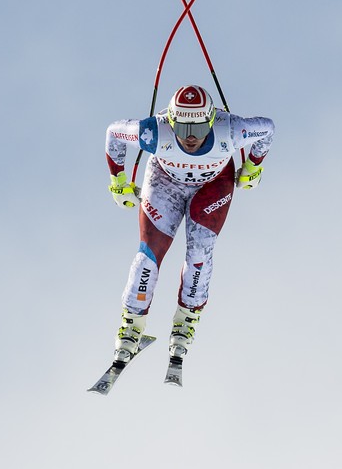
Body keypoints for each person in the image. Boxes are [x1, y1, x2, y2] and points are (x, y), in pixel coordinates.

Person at [104, 84, 274, 363]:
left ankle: (186, 321)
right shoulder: (155, 132)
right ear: (171, 122)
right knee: (149, 254)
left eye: (198, 129)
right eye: (182, 129)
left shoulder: (230, 130)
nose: (191, 138)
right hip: (164, 183)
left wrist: (254, 166)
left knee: (199, 255)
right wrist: (118, 182)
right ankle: (131, 325)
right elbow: (114, 133)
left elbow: (266, 129)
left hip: (212, 184)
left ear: (211, 122)